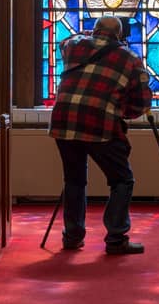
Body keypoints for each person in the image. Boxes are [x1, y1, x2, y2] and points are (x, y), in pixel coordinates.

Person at [48, 14, 152, 254]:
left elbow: (65, 41)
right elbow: (141, 101)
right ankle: (116, 238)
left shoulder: (75, 45)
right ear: (121, 35)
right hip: (99, 122)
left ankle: (72, 237)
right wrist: (123, 111)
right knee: (121, 180)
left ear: (94, 30)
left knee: (74, 180)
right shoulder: (130, 58)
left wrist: (86, 34)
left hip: (64, 121)